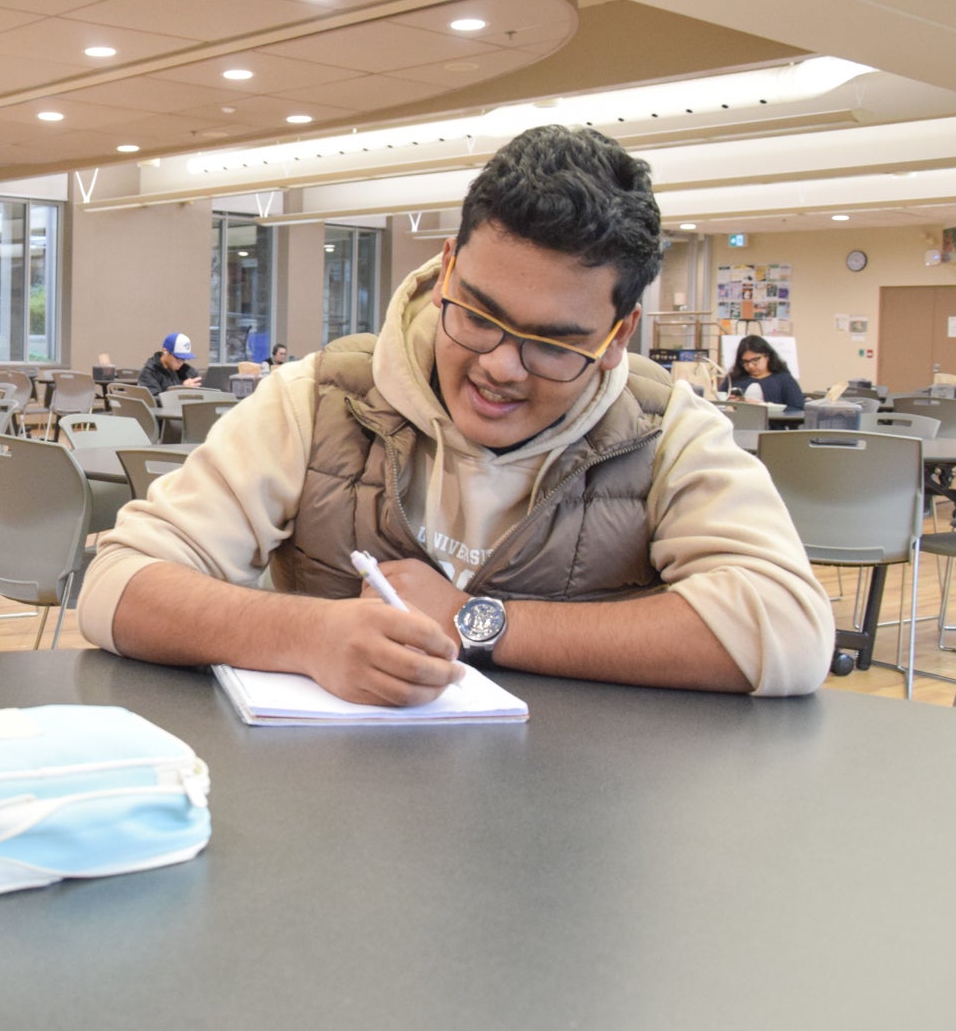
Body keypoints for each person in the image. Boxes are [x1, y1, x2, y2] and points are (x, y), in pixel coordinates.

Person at [78, 125, 833, 704]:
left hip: (573, 825)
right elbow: (116, 586)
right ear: (445, 270)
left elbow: (793, 633)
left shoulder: (665, 427)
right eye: (478, 315)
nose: (500, 366)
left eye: (553, 343)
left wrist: (476, 621)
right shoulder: (322, 396)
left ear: (617, 338)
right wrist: (311, 632)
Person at [724, 336, 805, 410]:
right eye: (745, 362)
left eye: (755, 360)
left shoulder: (784, 379)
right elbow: (718, 404)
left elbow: (797, 408)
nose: (750, 366)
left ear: (767, 356)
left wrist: (762, 405)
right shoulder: (733, 379)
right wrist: (728, 403)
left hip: (773, 424)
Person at [138, 332, 202, 396]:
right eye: (178, 358)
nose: (181, 363)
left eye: (184, 359)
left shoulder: (187, 371)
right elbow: (153, 400)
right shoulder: (148, 373)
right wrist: (181, 390)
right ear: (165, 351)